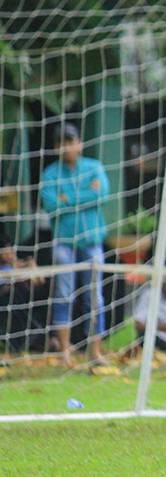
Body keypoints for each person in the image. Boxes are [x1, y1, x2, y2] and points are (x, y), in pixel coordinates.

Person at [39, 122, 110, 366]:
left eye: (71, 141)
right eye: (62, 143)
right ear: (55, 147)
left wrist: (69, 198)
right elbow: (51, 205)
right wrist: (84, 196)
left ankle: (95, 353)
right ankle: (64, 353)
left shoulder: (94, 167)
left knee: (94, 297)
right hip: (64, 244)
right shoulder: (49, 174)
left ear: (79, 144)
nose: (67, 147)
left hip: (92, 243)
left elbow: (102, 194)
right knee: (63, 295)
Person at [0, 233, 47, 355]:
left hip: (24, 302)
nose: (12, 255)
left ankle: (42, 339)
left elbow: (40, 281)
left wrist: (32, 267)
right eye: (8, 251)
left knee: (44, 295)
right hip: (8, 305)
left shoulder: (13, 267)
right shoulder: (5, 269)